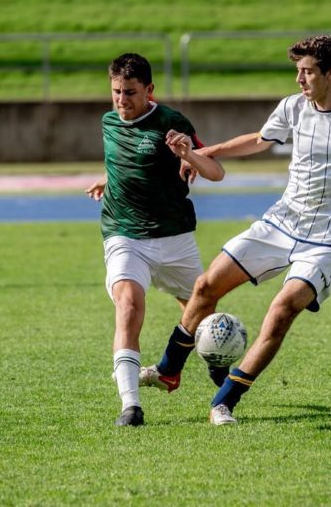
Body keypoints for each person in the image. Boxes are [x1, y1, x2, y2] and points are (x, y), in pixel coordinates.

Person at [139, 35, 331, 425]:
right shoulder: (293, 108)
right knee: (205, 287)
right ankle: (169, 370)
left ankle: (224, 402)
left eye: (307, 72)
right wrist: (205, 153)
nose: (299, 80)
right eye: (298, 71)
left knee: (282, 310)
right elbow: (258, 140)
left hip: (329, 240)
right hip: (281, 222)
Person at [85, 52, 224, 427]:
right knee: (129, 305)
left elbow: (216, 172)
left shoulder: (171, 122)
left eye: (130, 92)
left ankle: (216, 373)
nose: (121, 100)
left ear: (150, 90)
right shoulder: (109, 122)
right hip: (124, 233)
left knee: (204, 319)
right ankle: (130, 406)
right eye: (115, 92)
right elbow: (123, 162)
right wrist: (108, 180)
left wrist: (189, 155)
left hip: (175, 237)